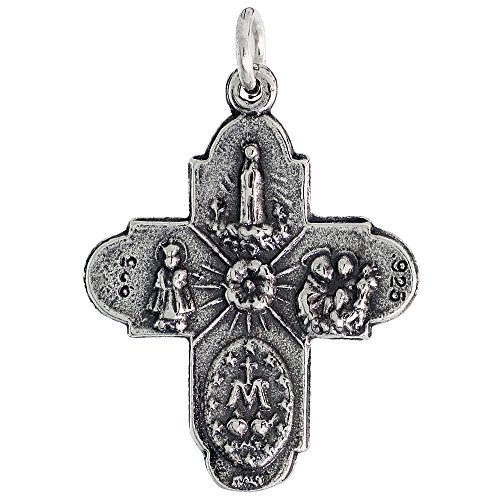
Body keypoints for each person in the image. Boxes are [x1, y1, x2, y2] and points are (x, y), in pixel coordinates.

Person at [147, 242, 195, 332]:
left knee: (179, 306)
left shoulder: (181, 271)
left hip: (178, 294)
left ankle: (179, 320)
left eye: (173, 257)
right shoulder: (162, 271)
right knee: (164, 305)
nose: (171, 260)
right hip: (165, 294)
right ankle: (163, 320)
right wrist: (163, 283)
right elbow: (158, 283)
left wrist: (178, 281)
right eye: (169, 258)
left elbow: (183, 283)